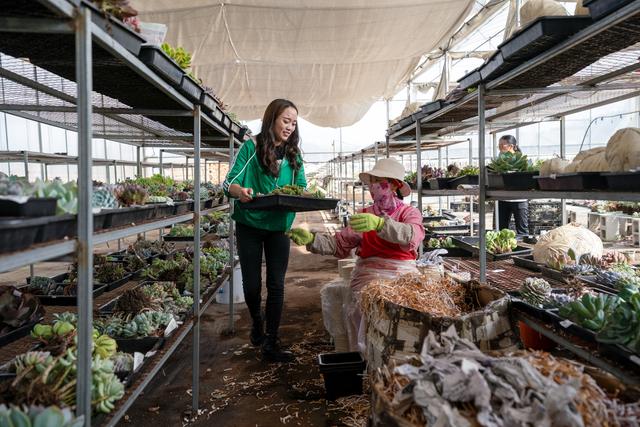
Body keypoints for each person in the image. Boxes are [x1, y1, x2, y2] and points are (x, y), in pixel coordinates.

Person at [288, 158, 425, 352]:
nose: (373, 186)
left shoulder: (409, 213)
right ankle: (366, 358)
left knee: (404, 318)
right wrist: (312, 239)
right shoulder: (363, 215)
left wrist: (380, 224)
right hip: (368, 275)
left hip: (402, 276)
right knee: (364, 311)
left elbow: (412, 236)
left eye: (379, 180)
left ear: (395, 185)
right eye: (371, 181)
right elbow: (339, 245)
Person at [223, 99, 306, 363]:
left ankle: (271, 340)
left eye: (293, 122)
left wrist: (299, 195)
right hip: (249, 223)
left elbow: (301, 186)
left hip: (278, 226)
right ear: (272, 119)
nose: (290, 127)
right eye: (285, 120)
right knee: (251, 286)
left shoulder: (294, 155)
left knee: (276, 284)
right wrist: (241, 191)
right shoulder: (252, 147)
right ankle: (257, 321)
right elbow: (229, 183)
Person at [497, 135, 529, 235]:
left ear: (511, 146)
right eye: (499, 145)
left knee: (522, 229)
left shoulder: (522, 160)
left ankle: (524, 249)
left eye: (503, 145)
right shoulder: (499, 160)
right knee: (502, 229)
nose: (500, 147)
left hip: (519, 199)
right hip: (503, 199)